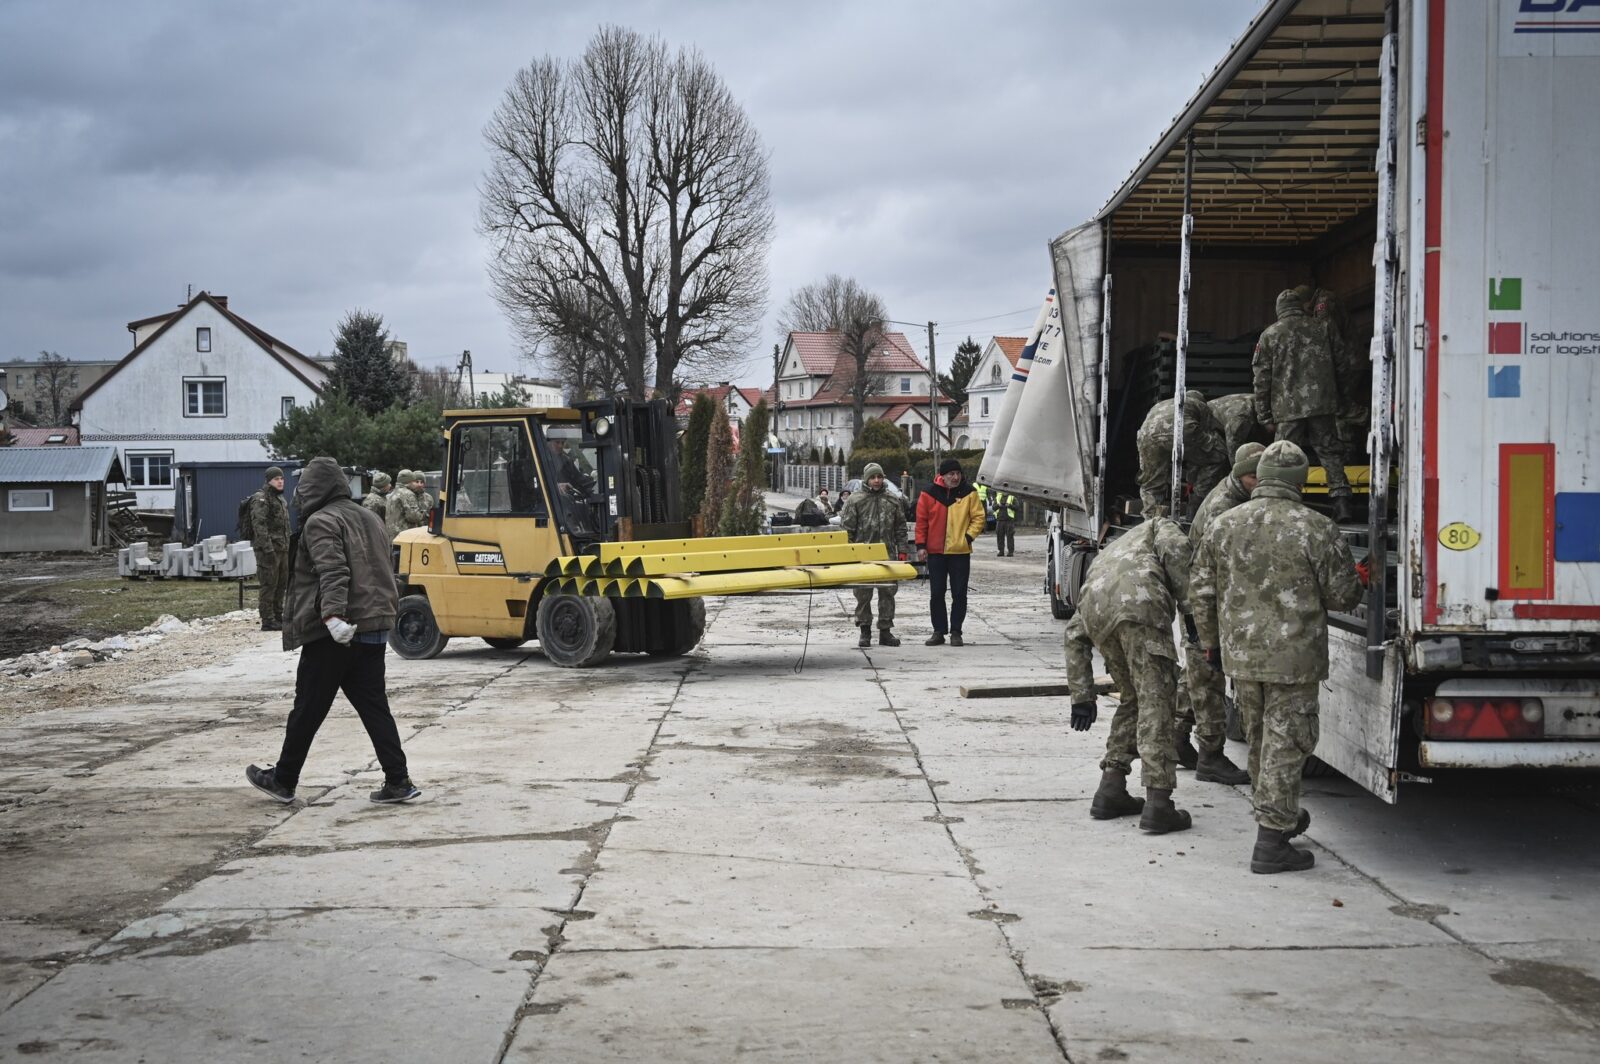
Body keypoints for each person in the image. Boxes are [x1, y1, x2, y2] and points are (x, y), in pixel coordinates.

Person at [1191, 441, 1365, 873]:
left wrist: (1212, 644)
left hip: (1241, 657)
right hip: (1294, 659)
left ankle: (1277, 819)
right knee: (1287, 745)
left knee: (1261, 742)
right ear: (1300, 482)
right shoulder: (1317, 527)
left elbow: (1202, 590)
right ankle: (1271, 842)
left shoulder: (1224, 524)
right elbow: (1343, 596)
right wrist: (1365, 579)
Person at [246, 456, 422, 806]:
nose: (299, 492)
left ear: (316, 487)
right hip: (374, 628)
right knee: (375, 708)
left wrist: (332, 617)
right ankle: (398, 781)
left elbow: (334, 570)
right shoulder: (370, 516)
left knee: (307, 708)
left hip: (337, 633)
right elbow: (384, 567)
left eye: (304, 485)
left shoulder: (321, 521)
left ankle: (283, 779)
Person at [1063, 517, 1194, 833]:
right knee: (1157, 704)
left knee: (1134, 699)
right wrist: (1193, 613)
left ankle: (1111, 788)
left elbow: (1074, 636)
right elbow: (1178, 555)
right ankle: (1159, 803)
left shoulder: (1115, 550)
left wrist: (1082, 696)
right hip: (1140, 607)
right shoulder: (1164, 525)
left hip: (1097, 606)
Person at [1176, 442, 1266, 788]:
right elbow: (1210, 570)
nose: (1258, 483)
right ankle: (1210, 756)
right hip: (1205, 603)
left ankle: (1177, 736)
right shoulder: (1224, 508)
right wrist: (1207, 628)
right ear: (1238, 474)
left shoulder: (1236, 496)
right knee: (1208, 680)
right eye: (1251, 477)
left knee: (1195, 675)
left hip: (1206, 599)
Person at [1253, 288, 1357, 525]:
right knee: (1330, 451)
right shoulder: (1323, 327)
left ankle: (1282, 505)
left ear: (1279, 309)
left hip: (1287, 408)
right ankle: (1341, 501)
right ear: (1300, 306)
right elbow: (1343, 364)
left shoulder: (1269, 335)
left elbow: (1261, 379)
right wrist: (1341, 397)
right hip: (1322, 403)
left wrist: (1264, 416)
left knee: (1284, 455)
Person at [915, 458, 985, 647]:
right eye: (951, 474)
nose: (955, 477)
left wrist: (967, 538)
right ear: (942, 476)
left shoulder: (969, 493)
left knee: (959, 593)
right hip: (936, 552)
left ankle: (956, 631)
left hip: (960, 552)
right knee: (936, 593)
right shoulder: (929, 493)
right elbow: (921, 521)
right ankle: (938, 631)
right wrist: (921, 546)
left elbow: (979, 517)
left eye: (958, 473)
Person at [840, 462, 907, 648]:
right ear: (866, 479)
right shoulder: (855, 500)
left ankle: (885, 630)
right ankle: (865, 630)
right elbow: (847, 530)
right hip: (863, 555)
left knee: (888, 593)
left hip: (887, 554)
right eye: (873, 477)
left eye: (879, 477)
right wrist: (849, 554)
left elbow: (900, 527)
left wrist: (902, 550)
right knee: (863, 593)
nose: (876, 480)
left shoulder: (893, 500)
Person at [1135, 390, 1229, 519]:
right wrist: (1192, 480)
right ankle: (1196, 504)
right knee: (1218, 456)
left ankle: (1151, 521)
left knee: (1152, 481)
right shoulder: (1201, 406)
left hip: (1147, 435)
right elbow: (1205, 445)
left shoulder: (1161, 404)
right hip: (1182, 429)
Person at [248, 466, 290, 632]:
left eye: (281, 478)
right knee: (268, 585)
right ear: (268, 481)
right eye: (276, 479)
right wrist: (268, 549)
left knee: (281, 584)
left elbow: (285, 527)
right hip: (269, 551)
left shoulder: (280, 499)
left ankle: (278, 616)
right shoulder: (261, 499)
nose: (280, 481)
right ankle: (268, 620)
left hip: (282, 549)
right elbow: (259, 526)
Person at [1208, 393, 1266, 459]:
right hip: (1206, 424)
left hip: (1228, 419)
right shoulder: (1241, 418)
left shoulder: (1266, 405)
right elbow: (1234, 448)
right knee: (1220, 458)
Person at [386, 470, 428, 537]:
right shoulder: (408, 494)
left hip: (391, 534)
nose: (416, 484)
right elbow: (413, 517)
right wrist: (423, 514)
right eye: (414, 481)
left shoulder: (392, 493)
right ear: (409, 482)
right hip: (404, 535)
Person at [992, 489, 1017, 557]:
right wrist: (998, 505)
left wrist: (1009, 505)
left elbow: (1017, 507)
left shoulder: (1012, 497)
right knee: (999, 537)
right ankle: (1001, 551)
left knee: (1010, 537)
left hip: (1009, 521)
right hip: (1000, 520)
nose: (1004, 491)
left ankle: (1010, 552)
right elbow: (993, 508)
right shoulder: (997, 497)